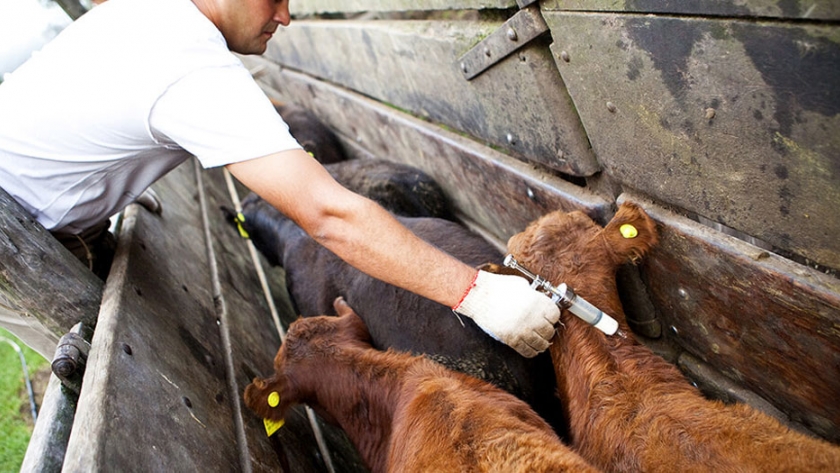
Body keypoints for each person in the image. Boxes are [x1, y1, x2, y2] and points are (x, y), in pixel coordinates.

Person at [0, 0, 560, 358]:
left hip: (32, 197)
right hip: (22, 242)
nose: (287, 16)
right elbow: (328, 214)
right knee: (78, 353)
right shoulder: (188, 64)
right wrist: (478, 295)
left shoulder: (148, 13)